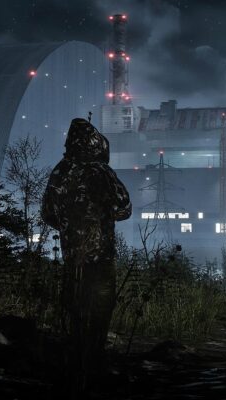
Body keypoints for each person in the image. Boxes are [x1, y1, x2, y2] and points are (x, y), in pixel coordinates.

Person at [41, 118, 131, 393]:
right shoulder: (100, 171)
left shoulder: (60, 171)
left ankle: (75, 366)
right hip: (100, 254)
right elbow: (124, 207)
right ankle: (94, 366)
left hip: (72, 255)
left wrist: (70, 226)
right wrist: (101, 217)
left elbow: (47, 213)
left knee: (75, 309)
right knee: (100, 309)